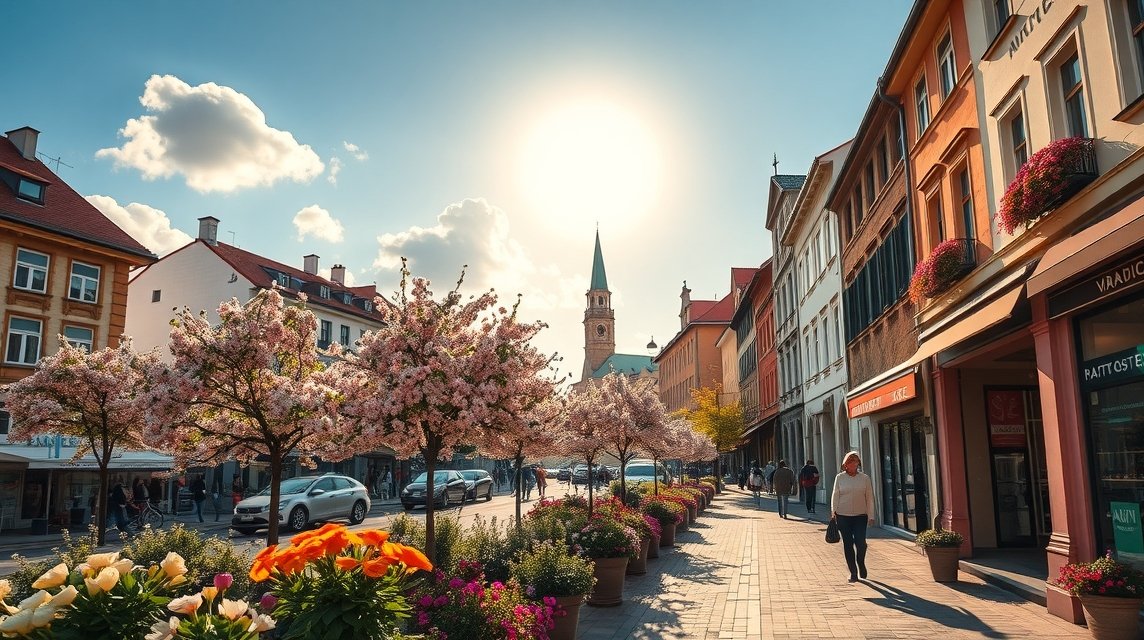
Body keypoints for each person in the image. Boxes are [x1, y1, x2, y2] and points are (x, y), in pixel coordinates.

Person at [831, 451, 876, 583]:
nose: (853, 465)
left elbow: (869, 498)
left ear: (858, 464)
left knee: (860, 542)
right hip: (843, 515)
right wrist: (833, 512)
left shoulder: (865, 478)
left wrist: (871, 515)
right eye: (850, 462)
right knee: (848, 543)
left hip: (860, 516)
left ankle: (860, 562)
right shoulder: (840, 478)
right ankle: (853, 572)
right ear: (845, 464)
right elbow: (835, 495)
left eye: (855, 462)